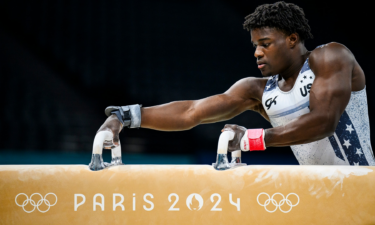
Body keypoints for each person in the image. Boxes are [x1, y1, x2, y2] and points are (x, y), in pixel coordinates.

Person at [97, 1, 375, 166]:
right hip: (316, 192)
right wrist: (125, 116)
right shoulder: (258, 90)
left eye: (265, 44)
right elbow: (191, 111)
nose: (257, 52)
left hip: (360, 183)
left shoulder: (330, 57)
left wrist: (253, 139)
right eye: (255, 45)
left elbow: (323, 121)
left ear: (292, 39)